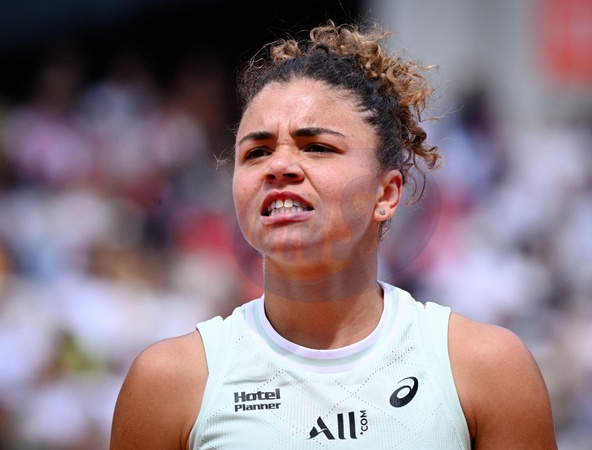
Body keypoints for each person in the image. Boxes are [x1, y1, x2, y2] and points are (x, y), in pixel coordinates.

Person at [110, 19, 558, 449]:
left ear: (386, 193)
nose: (279, 166)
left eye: (318, 147)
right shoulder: (170, 383)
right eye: (257, 152)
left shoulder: (485, 368)